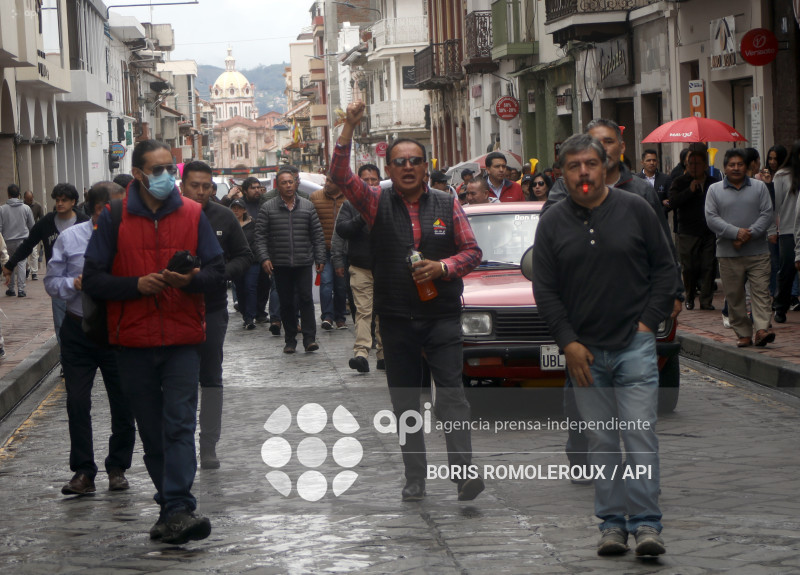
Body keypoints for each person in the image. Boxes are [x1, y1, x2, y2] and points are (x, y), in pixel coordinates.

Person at [331, 101, 484, 503]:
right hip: (396, 320)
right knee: (405, 404)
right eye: (400, 161)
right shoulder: (374, 202)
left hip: (443, 318)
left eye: (415, 160)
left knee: (451, 397)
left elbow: (472, 252)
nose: (408, 167)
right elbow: (339, 175)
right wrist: (348, 126)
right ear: (389, 169)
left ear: (425, 165)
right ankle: (414, 477)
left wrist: (444, 267)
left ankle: (464, 473)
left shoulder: (447, 202)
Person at [532, 133, 675, 557]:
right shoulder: (552, 221)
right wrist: (568, 342)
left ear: (605, 165)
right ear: (563, 173)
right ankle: (612, 525)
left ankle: (647, 525)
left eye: (590, 164)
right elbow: (546, 290)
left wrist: (648, 325)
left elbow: (665, 271)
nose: (583, 173)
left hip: (634, 345)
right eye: (574, 167)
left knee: (639, 435)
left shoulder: (635, 209)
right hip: (584, 354)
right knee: (602, 441)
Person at [83, 139, 225, 544]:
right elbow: (93, 279)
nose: (167, 177)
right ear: (141, 174)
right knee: (152, 429)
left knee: (180, 424)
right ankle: (169, 508)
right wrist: (136, 285)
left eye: (171, 170)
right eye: (158, 170)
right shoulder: (112, 217)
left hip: (182, 339)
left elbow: (218, 274)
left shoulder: (194, 215)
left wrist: (190, 280)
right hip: (132, 341)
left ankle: (179, 505)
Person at [44, 182, 136, 496]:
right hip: (78, 329)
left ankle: (118, 467)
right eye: (108, 210)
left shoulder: (130, 237)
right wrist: (74, 283)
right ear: (95, 208)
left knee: (123, 402)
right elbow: (52, 283)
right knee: (77, 401)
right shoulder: (70, 238)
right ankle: (83, 471)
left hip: (117, 330)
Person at [180, 160, 252, 470]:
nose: (199, 191)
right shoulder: (170, 217)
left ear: (213, 187)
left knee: (210, 378)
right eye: (193, 185)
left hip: (212, 309)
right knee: (179, 381)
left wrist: (221, 275)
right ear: (182, 186)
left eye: (205, 186)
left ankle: (208, 444)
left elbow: (244, 255)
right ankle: (181, 444)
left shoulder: (223, 216)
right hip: (175, 309)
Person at [705, 148, 774, 347]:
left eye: (740, 164)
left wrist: (748, 234)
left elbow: (767, 214)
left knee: (761, 292)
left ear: (747, 166)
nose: (736, 168)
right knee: (734, 296)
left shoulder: (759, 187)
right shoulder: (714, 190)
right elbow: (711, 218)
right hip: (728, 253)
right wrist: (735, 233)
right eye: (731, 165)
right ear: (725, 168)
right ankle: (743, 332)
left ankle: (761, 329)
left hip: (758, 251)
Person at [4, 184, 88, 343]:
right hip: (58, 280)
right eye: (57, 200)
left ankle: (82, 352)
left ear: (73, 202)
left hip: (82, 280)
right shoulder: (46, 223)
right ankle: (66, 358)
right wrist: (9, 265)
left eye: (64, 200)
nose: (60, 203)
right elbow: (28, 244)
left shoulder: (84, 222)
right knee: (60, 322)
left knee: (84, 320)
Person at [254, 167, 325, 354]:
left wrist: (320, 257)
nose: (288, 185)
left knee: (306, 299)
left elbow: (317, 235)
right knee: (286, 302)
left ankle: (309, 339)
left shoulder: (307, 206)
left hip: (303, 261)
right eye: (284, 182)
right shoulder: (268, 208)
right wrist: (264, 258)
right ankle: (290, 340)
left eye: (291, 182)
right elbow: (260, 236)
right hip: (280, 263)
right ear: (278, 185)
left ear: (296, 183)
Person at [333, 166, 385, 373]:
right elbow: (342, 230)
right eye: (366, 180)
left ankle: (383, 354)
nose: (371, 183)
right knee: (364, 311)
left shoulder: (389, 202)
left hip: (385, 267)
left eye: (374, 179)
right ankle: (361, 353)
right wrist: (363, 215)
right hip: (360, 267)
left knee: (383, 312)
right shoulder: (350, 204)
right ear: (359, 182)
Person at [668, 143, 720, 310]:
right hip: (687, 232)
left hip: (709, 231)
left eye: (697, 164)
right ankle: (689, 296)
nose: (693, 167)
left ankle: (706, 300)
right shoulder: (679, 182)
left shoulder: (714, 183)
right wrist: (689, 191)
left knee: (708, 266)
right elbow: (673, 203)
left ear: (705, 165)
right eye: (690, 163)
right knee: (689, 267)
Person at [310, 177, 347, 330]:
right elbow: (311, 224)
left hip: (343, 250)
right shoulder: (315, 197)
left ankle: (340, 317)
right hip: (323, 249)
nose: (327, 183)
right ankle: (327, 316)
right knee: (326, 283)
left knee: (341, 285)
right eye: (327, 180)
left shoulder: (348, 197)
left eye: (332, 181)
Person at [773, 140, 800, 323]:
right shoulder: (782, 176)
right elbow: (775, 205)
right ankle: (780, 307)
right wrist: (773, 229)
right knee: (788, 269)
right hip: (788, 229)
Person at [230, 198, 260, 330]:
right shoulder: (229, 224)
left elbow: (257, 242)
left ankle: (250, 317)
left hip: (252, 262)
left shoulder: (253, 224)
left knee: (250, 287)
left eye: (238, 208)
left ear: (244, 210)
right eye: (233, 208)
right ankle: (244, 312)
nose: (236, 211)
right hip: (236, 262)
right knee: (240, 289)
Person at [0, 184, 34, 297]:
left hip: (7, 240)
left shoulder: (2, 209)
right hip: (23, 240)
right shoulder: (26, 208)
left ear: (8, 194)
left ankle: (11, 289)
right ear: (19, 194)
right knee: (21, 263)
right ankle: (21, 289)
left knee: (10, 263)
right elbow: (32, 226)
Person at [636, 149, 672, 216]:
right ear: (642, 162)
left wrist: (661, 210)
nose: (652, 163)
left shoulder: (665, 179)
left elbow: (671, 201)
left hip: (660, 220)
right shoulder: (636, 179)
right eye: (648, 160)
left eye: (654, 160)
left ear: (657, 162)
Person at [22, 191, 43, 280]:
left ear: (33, 197)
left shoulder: (38, 206)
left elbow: (42, 218)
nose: (29, 201)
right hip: (22, 232)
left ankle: (34, 272)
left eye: (30, 200)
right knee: (23, 254)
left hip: (33, 232)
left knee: (34, 253)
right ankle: (27, 268)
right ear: (24, 199)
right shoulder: (21, 206)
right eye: (27, 200)